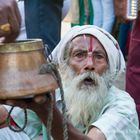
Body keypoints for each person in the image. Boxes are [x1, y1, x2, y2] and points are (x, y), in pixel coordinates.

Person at [0, 25, 140, 140]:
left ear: (109, 68)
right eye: (79, 55)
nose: (89, 64)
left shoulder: (123, 105)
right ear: (65, 65)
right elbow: (4, 117)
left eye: (99, 57)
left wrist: (49, 112)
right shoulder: (57, 93)